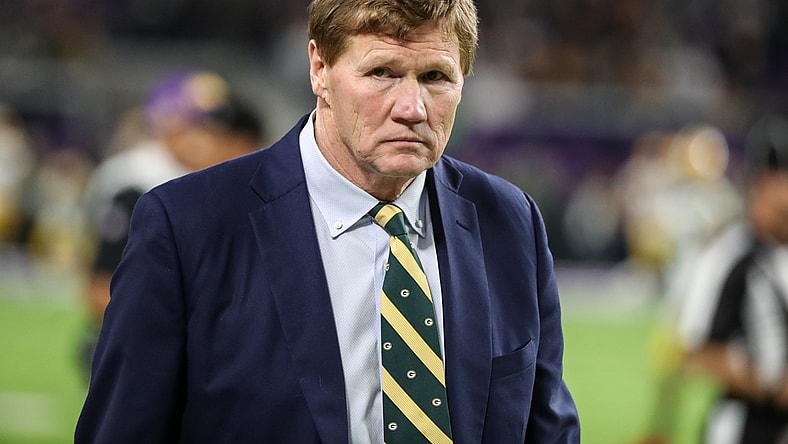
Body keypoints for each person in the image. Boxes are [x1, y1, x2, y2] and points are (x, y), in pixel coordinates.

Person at [75, 0, 580, 442]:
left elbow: (547, 429)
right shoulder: (187, 225)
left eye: (436, 77)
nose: (412, 108)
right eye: (381, 72)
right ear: (319, 66)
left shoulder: (510, 220)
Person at [78, 70, 264, 374]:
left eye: (213, 131)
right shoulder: (140, 183)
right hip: (148, 349)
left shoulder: (239, 189)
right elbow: (101, 288)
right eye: (197, 127)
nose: (199, 140)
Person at [674, 114, 788, 444]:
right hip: (742, 428)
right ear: (764, 183)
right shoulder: (728, 254)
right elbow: (695, 351)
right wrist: (770, 383)